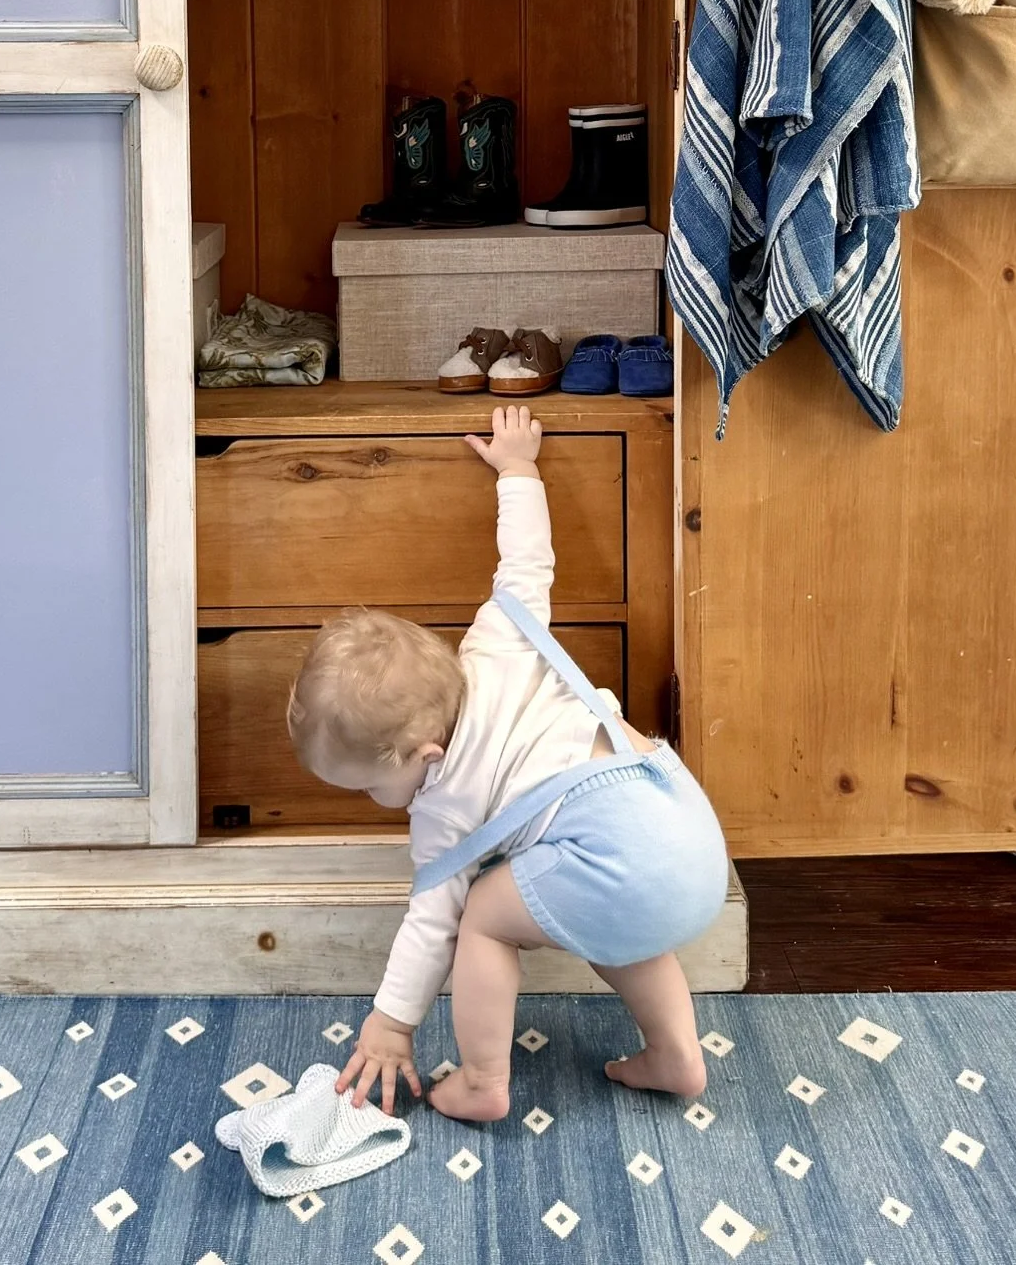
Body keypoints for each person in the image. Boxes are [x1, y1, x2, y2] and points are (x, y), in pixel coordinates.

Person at [285, 403, 729, 1123]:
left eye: (370, 785)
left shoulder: (443, 808)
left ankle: (484, 1080)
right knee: (614, 917)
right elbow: (526, 559)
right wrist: (518, 469)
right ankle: (676, 1055)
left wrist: (392, 1023)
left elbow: (430, 923)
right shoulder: (501, 635)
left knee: (481, 915)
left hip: (619, 849)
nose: (372, 800)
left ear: (423, 756)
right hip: (684, 831)